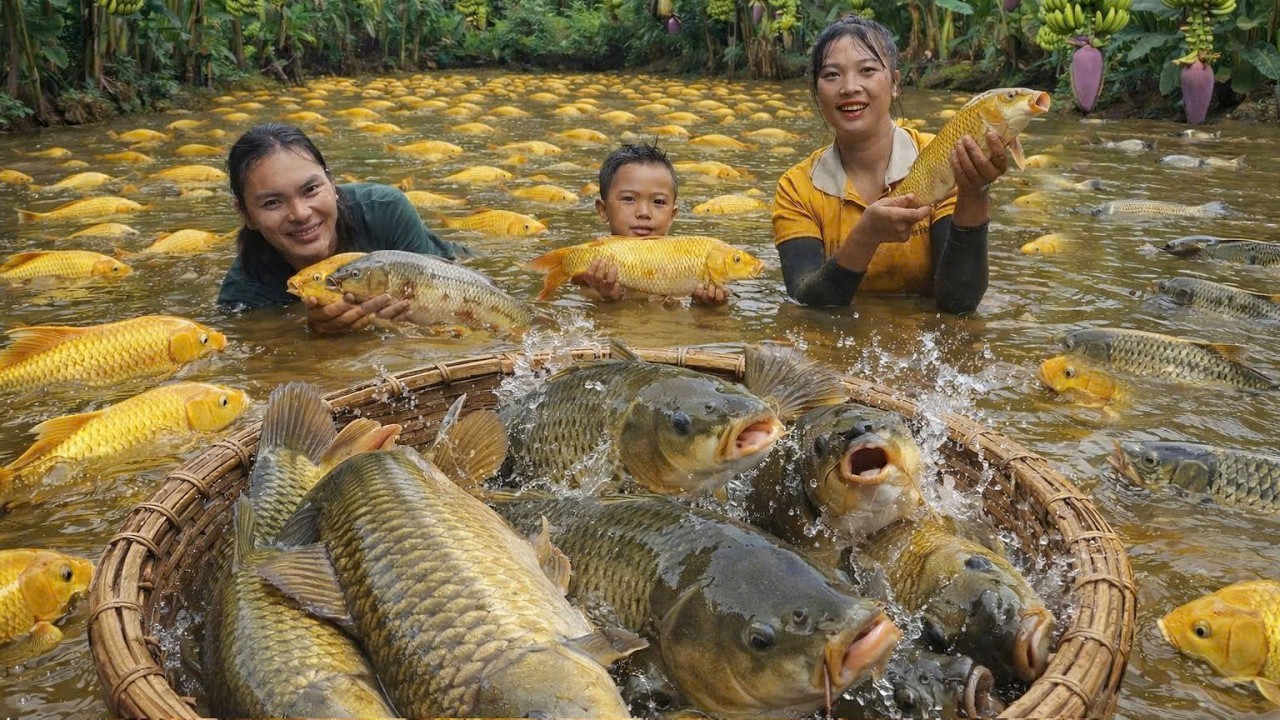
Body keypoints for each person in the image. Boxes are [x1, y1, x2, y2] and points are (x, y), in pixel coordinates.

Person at [772, 16, 1006, 313]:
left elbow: (959, 302)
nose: (849, 87)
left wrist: (975, 194)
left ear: (895, 84)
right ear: (817, 93)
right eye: (832, 75)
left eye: (867, 70)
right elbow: (805, 300)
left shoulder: (944, 155)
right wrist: (865, 237)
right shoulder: (796, 188)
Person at [217, 122, 463, 333]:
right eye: (272, 203)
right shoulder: (244, 295)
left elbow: (442, 306)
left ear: (332, 184)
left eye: (311, 190)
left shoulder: (386, 210)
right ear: (246, 214)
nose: (301, 214)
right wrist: (311, 331)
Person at [575, 142, 727, 305]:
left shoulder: (692, 266)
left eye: (659, 201)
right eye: (629, 199)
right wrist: (609, 302)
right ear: (603, 210)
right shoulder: (590, 271)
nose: (644, 213)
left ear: (672, 215)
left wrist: (709, 308)